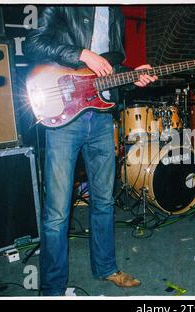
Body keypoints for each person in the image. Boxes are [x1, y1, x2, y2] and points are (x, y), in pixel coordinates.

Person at [25, 6, 157, 296]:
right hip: (64, 114)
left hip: (100, 115)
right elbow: (32, 43)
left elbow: (111, 67)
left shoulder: (116, 14)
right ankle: (52, 288)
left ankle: (106, 268)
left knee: (105, 201)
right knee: (57, 212)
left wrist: (132, 75)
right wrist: (82, 53)